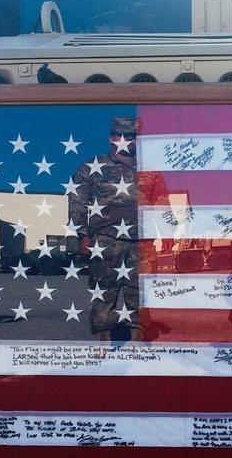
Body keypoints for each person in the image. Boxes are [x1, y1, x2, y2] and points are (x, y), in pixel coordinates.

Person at [69, 117, 167, 341]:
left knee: (141, 293)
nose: (128, 141)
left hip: (142, 242)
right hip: (105, 240)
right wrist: (83, 234)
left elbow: (162, 204)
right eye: (123, 136)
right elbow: (77, 202)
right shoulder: (91, 168)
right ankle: (104, 338)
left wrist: (167, 233)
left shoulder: (150, 171)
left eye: (133, 137)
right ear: (112, 138)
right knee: (104, 292)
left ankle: (137, 339)